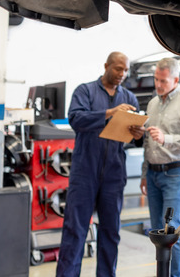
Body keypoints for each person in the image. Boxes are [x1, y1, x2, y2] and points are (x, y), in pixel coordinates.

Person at [57, 52, 143, 277]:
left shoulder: (130, 99)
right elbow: (76, 119)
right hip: (85, 171)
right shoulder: (84, 91)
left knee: (111, 232)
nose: (121, 74)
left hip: (114, 174)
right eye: (117, 69)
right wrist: (110, 113)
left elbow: (135, 138)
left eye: (125, 70)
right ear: (106, 66)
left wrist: (138, 133)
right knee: (75, 230)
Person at [130, 57, 180, 277]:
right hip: (152, 174)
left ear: (176, 79)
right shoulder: (152, 103)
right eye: (156, 79)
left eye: (163, 80)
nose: (158, 84)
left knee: (171, 231)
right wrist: (144, 174)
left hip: (175, 173)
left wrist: (166, 138)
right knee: (158, 233)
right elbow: (149, 143)